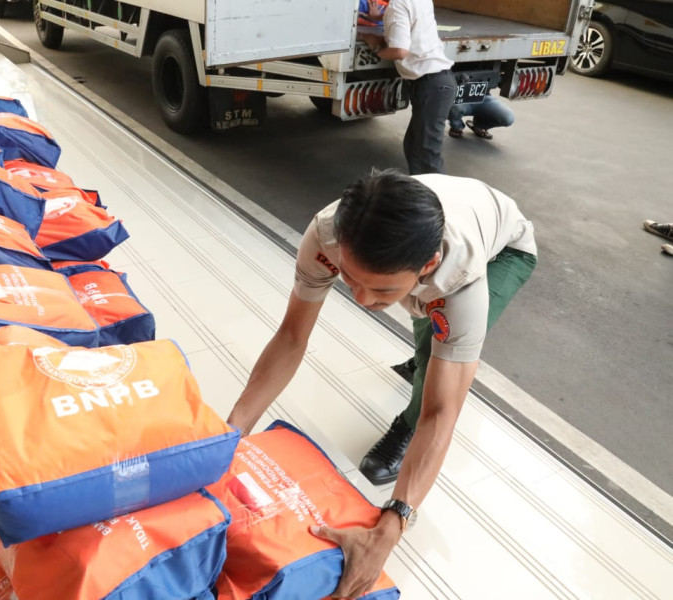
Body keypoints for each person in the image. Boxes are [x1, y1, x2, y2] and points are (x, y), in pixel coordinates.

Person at [227, 169, 537, 598]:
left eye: (380, 289)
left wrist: (391, 525)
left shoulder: (462, 281)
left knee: (436, 369)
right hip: (435, 252)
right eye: (350, 278)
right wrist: (232, 433)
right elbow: (292, 335)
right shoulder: (327, 234)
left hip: (504, 249)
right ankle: (425, 338)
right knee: (426, 324)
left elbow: (442, 413)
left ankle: (405, 418)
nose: (361, 300)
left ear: (428, 266)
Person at [360, 0, 456, 175]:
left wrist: (376, 47)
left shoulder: (397, 5)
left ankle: (438, 197)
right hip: (437, 82)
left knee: (427, 153)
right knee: (414, 146)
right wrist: (381, 16)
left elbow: (399, 51)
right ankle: (420, 189)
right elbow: (410, 16)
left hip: (432, 85)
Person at [448, 92, 515, 139]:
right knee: (451, 105)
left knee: (508, 117)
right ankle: (456, 126)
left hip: (484, 97)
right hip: (459, 98)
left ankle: (479, 125)